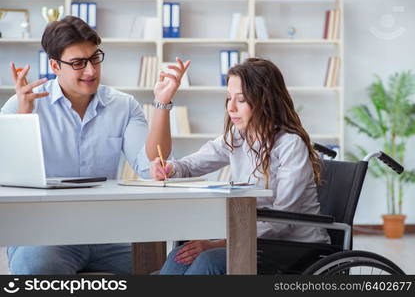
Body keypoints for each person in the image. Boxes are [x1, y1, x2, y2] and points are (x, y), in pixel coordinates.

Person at [1, 16, 189, 274]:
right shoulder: (21, 104)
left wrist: (162, 102)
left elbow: (149, 166)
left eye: (94, 58)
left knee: (162, 268)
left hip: (109, 232)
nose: (91, 71)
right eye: (78, 63)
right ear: (55, 65)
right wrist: (23, 118)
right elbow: (9, 177)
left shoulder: (123, 106)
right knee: (35, 268)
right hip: (46, 234)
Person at [150, 58, 330, 275]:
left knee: (207, 260)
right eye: (228, 98)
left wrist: (218, 244)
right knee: (178, 258)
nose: (231, 108)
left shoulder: (290, 145)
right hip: (252, 239)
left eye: (241, 100)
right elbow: (189, 166)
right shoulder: (237, 137)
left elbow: (282, 221)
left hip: (294, 247)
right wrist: (168, 168)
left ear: (265, 100)